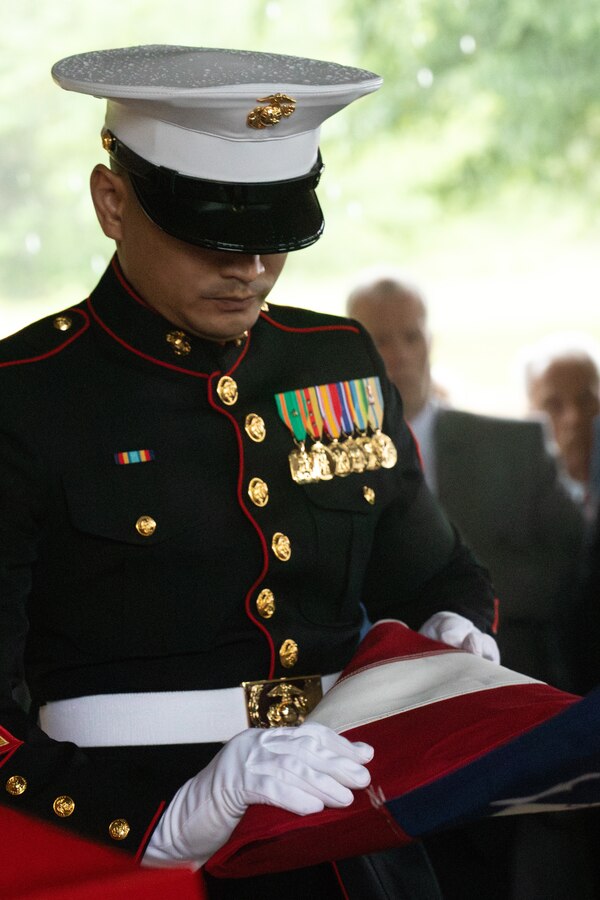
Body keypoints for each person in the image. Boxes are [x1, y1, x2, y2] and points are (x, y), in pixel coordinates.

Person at [0, 46, 498, 899]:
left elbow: (437, 573)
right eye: (209, 235)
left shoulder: (333, 360)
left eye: (275, 237)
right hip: (136, 843)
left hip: (352, 829)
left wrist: (454, 633)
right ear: (112, 202)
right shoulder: (27, 397)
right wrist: (168, 813)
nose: (250, 270)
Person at [347, 273, 599, 899]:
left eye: (411, 336)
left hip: (504, 715)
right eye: (380, 341)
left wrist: (460, 608)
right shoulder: (321, 456)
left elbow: (575, 571)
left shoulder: (509, 445)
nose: (399, 355)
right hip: (378, 735)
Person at [522, 332, 600, 519]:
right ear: (530, 415)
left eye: (586, 400)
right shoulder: (523, 503)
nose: (574, 418)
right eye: (553, 405)